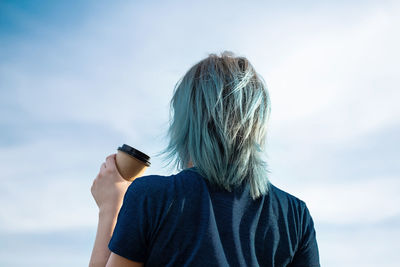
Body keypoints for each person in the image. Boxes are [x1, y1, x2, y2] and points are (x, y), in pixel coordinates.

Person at [89, 51, 320, 267]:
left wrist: (110, 207)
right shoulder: (295, 216)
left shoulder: (153, 196)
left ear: (186, 122)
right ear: (256, 121)